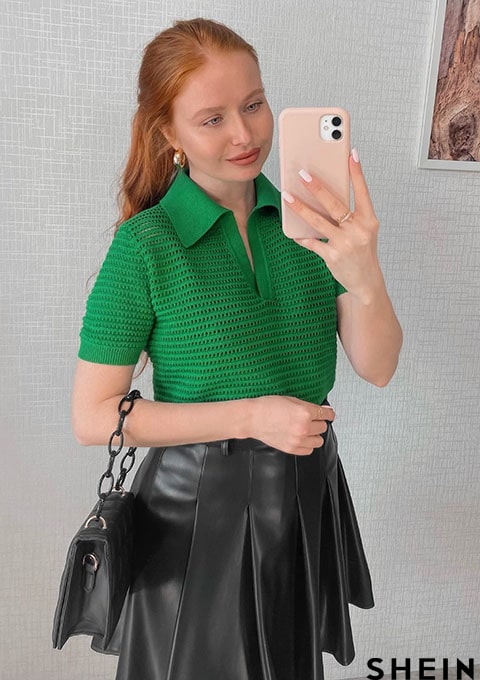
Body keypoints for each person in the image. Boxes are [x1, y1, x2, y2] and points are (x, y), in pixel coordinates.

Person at [71, 17, 402, 680]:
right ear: (169, 133)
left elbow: (379, 367)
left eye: (254, 105)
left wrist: (364, 270)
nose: (245, 135)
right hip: (195, 511)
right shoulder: (146, 246)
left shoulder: (315, 224)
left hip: (303, 500)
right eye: (212, 119)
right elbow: (93, 416)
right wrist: (251, 416)